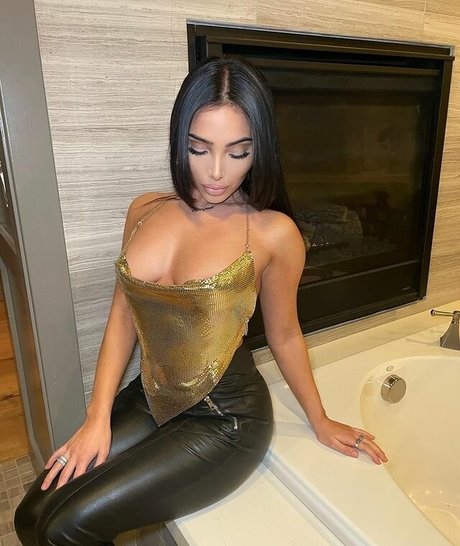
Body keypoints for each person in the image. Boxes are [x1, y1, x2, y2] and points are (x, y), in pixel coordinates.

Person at [14, 56, 387, 546]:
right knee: (31, 516)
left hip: (227, 418)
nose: (216, 172)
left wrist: (319, 420)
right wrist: (96, 417)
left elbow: (285, 334)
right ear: (180, 141)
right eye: (199, 147)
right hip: (152, 395)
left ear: (260, 149)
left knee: (65, 527)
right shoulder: (145, 210)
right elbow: (122, 318)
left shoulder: (273, 233)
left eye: (238, 152)